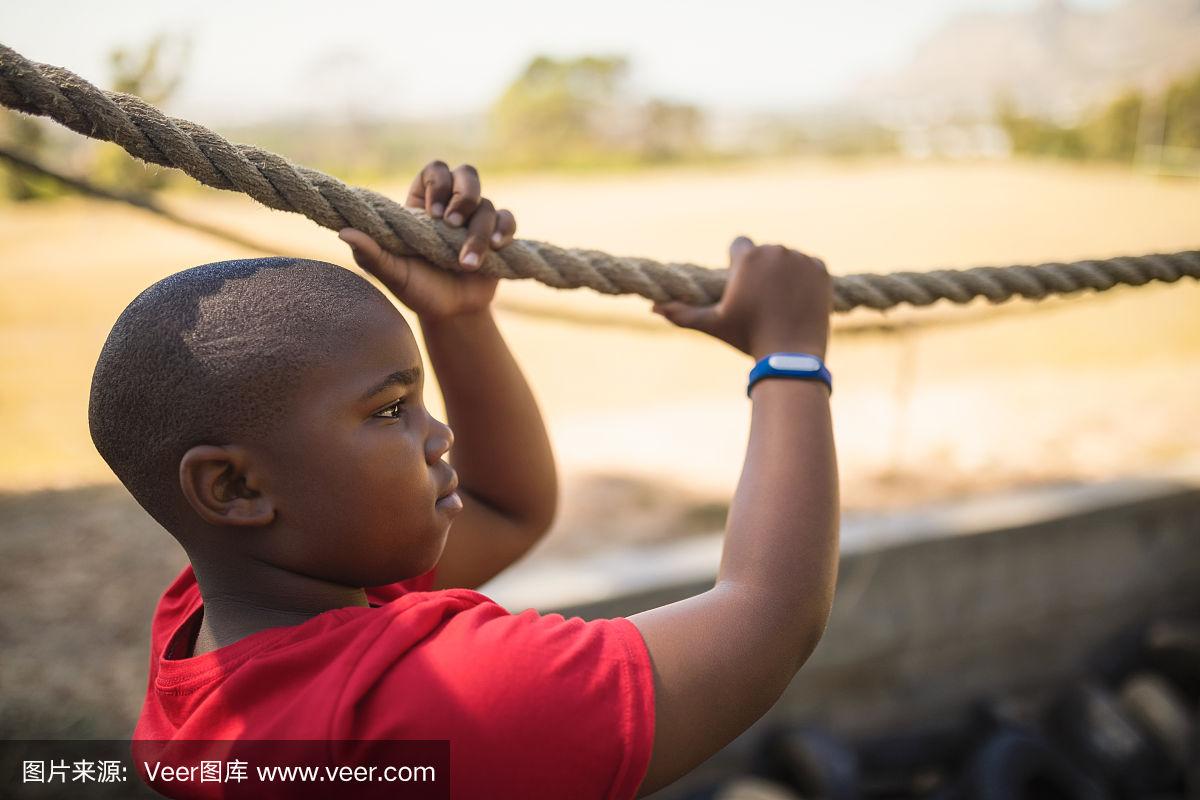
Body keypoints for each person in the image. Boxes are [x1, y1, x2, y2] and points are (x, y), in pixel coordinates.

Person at [91, 160, 839, 799]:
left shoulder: (212, 618)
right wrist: (791, 357)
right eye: (389, 410)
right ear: (232, 489)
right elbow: (769, 619)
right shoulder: (433, 704)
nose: (440, 434)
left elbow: (507, 511)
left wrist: (457, 318)